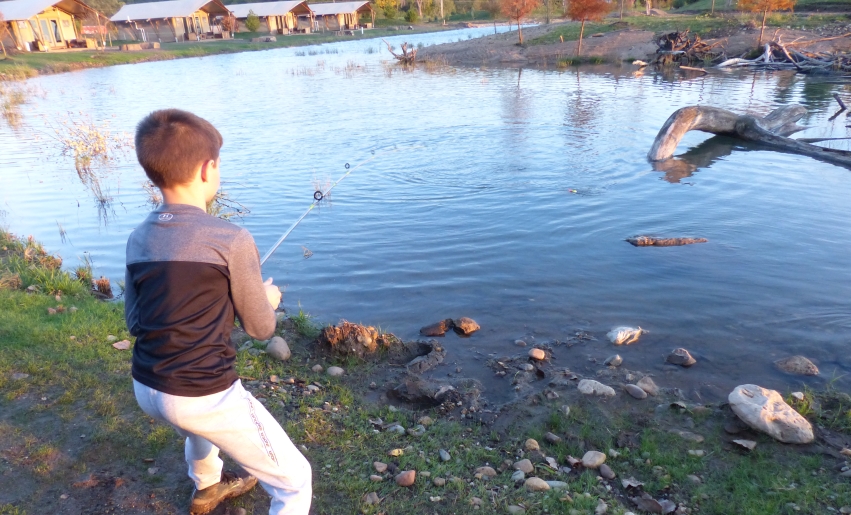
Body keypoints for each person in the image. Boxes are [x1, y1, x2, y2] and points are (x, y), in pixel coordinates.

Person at [124, 109, 312, 515]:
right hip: (200, 393)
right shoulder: (230, 238)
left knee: (196, 427)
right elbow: (262, 328)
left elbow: (135, 321)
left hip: (147, 387)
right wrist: (268, 299)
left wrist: (210, 304)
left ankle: (207, 487)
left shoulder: (138, 238)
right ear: (208, 169)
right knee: (296, 482)